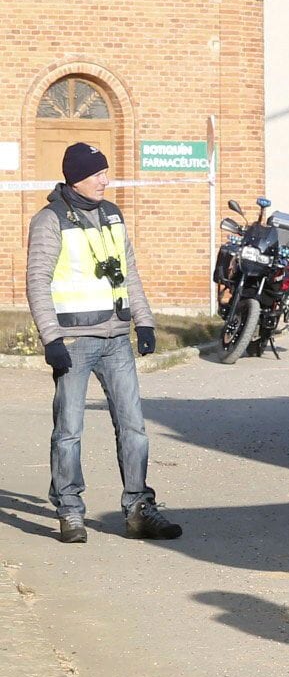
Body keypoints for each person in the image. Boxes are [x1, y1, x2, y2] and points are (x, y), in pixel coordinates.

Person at [27, 143, 183, 545]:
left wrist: (144, 322)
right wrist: (51, 338)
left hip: (116, 339)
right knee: (69, 430)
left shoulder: (112, 214)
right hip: (74, 341)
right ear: (76, 177)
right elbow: (37, 283)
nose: (106, 180)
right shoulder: (50, 220)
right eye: (98, 174)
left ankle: (138, 510)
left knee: (134, 428)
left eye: (106, 172)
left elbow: (128, 271)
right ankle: (70, 512)